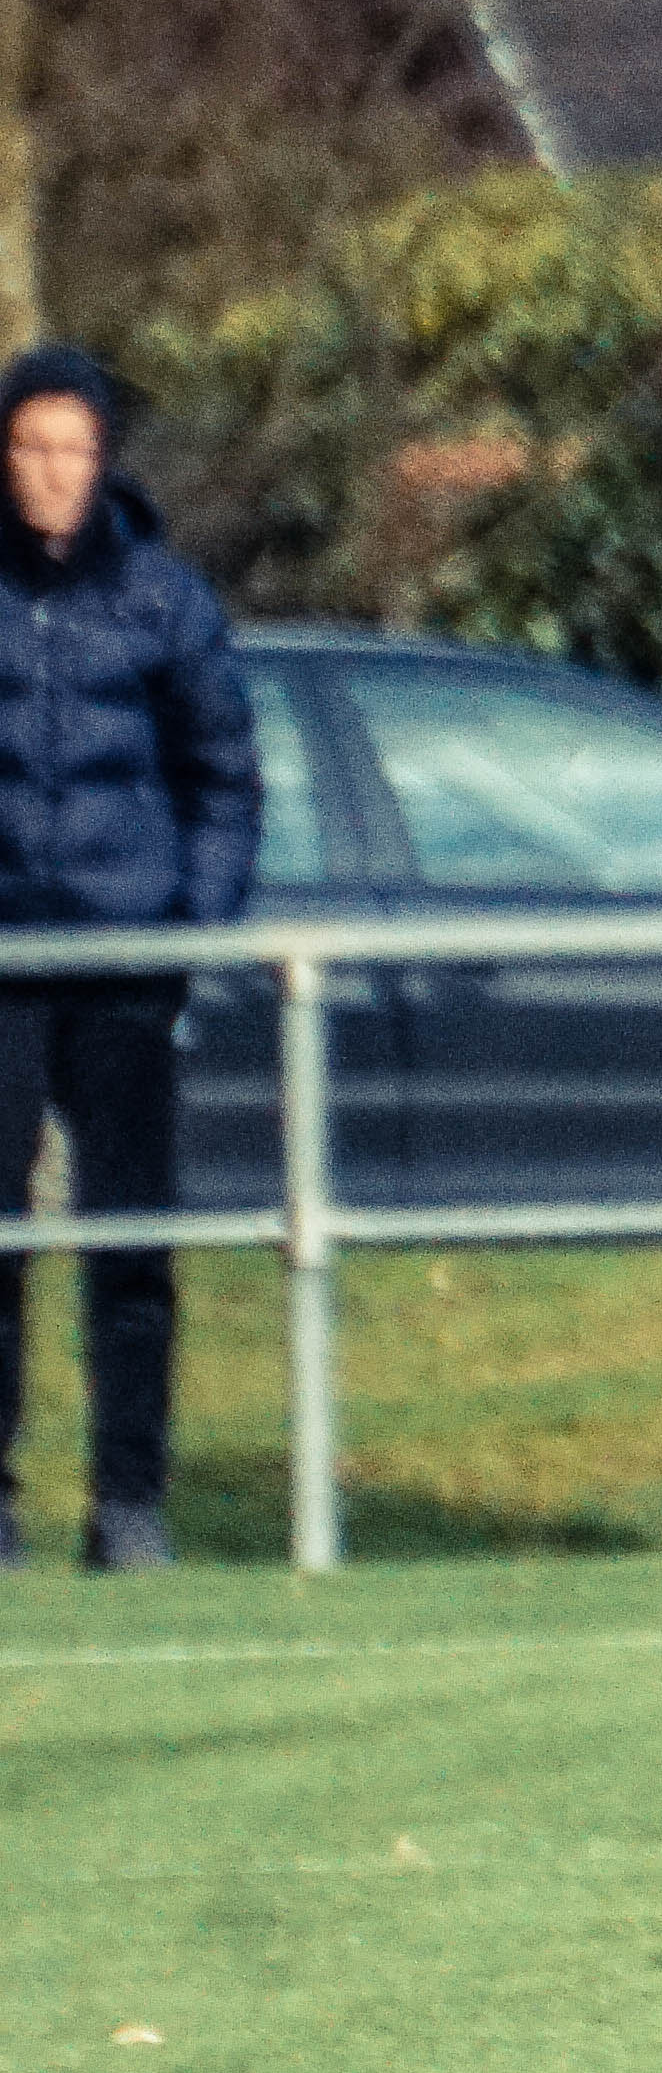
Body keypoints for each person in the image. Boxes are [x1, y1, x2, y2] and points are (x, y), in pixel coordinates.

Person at [0, 351, 257, 1575]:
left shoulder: (164, 601)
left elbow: (225, 778)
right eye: (30, 448)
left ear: (105, 461)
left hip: (123, 962)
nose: (52, 476)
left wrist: (189, 932)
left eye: (74, 450)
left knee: (133, 1240)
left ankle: (130, 1502)